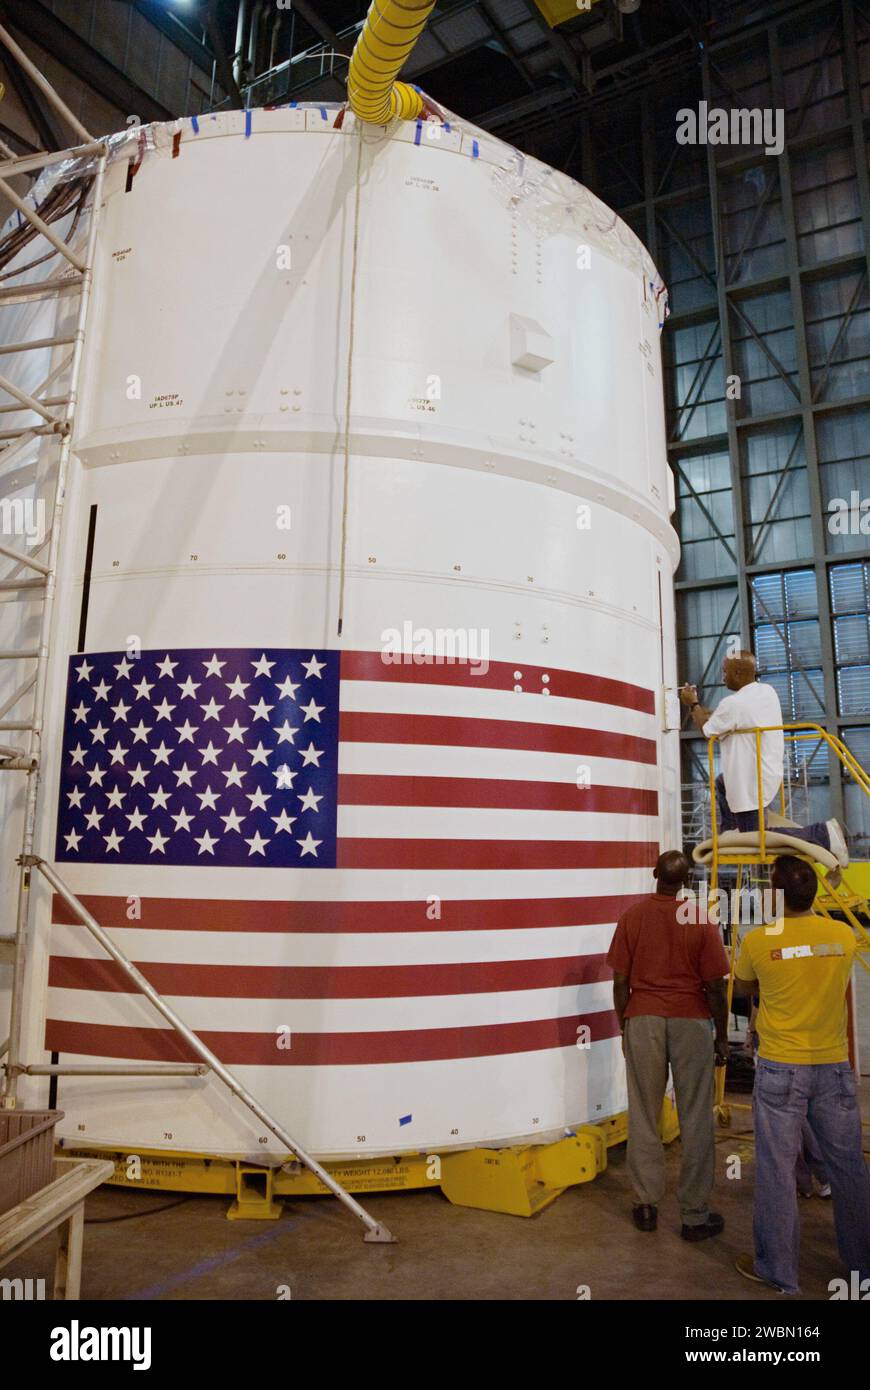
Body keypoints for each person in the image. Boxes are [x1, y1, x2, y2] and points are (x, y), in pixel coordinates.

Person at [732, 854, 870, 1294]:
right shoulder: (843, 935)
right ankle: (862, 1269)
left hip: (780, 1069)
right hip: (833, 1067)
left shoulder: (757, 941)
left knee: (775, 1170)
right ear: (814, 892)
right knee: (849, 1170)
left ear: (774, 896)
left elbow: (744, 987)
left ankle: (779, 1270)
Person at [606, 849, 730, 1240]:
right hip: (691, 1022)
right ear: (687, 880)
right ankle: (694, 1215)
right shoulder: (699, 919)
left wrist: (625, 1026)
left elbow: (620, 983)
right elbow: (715, 986)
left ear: (654, 874)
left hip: (643, 1019)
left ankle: (645, 1204)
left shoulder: (632, 918)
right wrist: (722, 1035)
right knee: (695, 1115)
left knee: (643, 1111)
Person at [680, 651, 848, 866]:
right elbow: (725, 716)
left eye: (725, 672)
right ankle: (732, 830)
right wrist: (703, 710)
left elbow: (706, 730)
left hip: (749, 786)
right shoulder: (766, 692)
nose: (722, 677)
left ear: (739, 673)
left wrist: (692, 704)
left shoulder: (734, 704)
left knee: (756, 838)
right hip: (765, 774)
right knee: (722, 783)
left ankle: (823, 833)